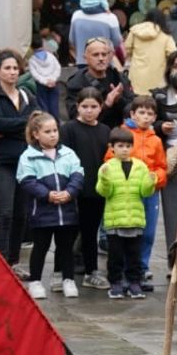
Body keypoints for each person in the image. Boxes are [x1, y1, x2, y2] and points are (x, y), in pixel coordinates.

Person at [16, 111, 84, 300]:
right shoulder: (28, 156)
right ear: (36, 134)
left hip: (67, 211)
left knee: (65, 248)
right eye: (47, 131)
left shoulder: (68, 153)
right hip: (42, 213)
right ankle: (35, 281)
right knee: (40, 247)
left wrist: (69, 192)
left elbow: (78, 174)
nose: (53, 134)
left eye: (55, 130)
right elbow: (27, 180)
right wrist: (48, 195)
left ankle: (68, 279)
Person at [0, 51, 34, 270]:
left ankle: (13, 261)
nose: (12, 72)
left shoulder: (25, 94)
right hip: (2, 161)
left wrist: (13, 127)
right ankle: (0, 262)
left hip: (25, 160)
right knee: (5, 212)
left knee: (22, 213)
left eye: (15, 68)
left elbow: (37, 120)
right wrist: (24, 125)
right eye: (7, 68)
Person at [97, 126, 157, 299]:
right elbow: (103, 191)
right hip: (115, 219)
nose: (124, 149)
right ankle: (115, 283)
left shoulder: (140, 166)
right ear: (112, 147)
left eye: (128, 146)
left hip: (135, 219)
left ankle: (134, 283)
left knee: (134, 255)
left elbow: (145, 192)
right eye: (120, 146)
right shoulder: (107, 167)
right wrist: (105, 179)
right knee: (115, 255)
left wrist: (150, 182)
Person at [62, 95, 112, 289]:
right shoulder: (69, 129)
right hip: (75, 189)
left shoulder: (104, 130)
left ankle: (92, 271)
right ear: (78, 107)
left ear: (100, 108)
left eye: (93, 106)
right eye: (85, 106)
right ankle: (62, 272)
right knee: (68, 233)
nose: (89, 110)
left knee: (90, 233)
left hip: (96, 189)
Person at [124, 97, 170, 288]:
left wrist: (155, 178)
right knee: (128, 231)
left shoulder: (156, 140)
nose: (145, 117)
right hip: (128, 191)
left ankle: (142, 268)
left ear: (155, 117)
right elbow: (111, 159)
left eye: (150, 113)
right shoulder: (123, 135)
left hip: (150, 192)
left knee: (148, 232)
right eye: (141, 112)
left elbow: (162, 165)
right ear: (132, 114)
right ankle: (127, 269)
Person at [124, 9, 176, 95]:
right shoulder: (165, 36)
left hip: (136, 80)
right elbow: (173, 54)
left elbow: (127, 50)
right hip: (158, 83)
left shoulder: (134, 32)